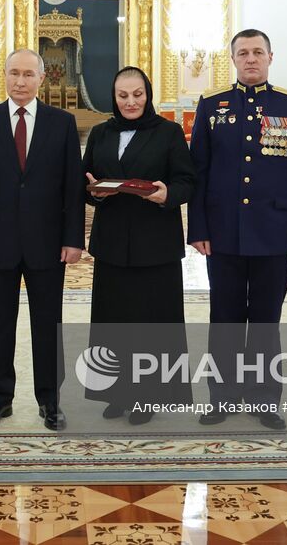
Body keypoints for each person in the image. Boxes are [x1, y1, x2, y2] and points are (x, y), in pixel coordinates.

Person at [188, 29, 287, 429]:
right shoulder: (212, 105)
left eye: (257, 52)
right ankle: (222, 396)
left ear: (270, 57)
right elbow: (200, 173)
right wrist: (198, 228)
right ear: (233, 59)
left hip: (274, 232)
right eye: (242, 53)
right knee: (223, 318)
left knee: (265, 320)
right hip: (223, 232)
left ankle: (264, 398)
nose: (250, 59)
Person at [0, 49, 84, 432]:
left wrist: (73, 239)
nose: (20, 81)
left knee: (48, 325)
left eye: (28, 74)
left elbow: (72, 189)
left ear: (41, 79)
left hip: (48, 244)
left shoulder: (61, 123)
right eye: (13, 73)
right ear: (4, 76)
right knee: (0, 324)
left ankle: (50, 400)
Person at [83, 66, 195, 424]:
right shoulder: (100, 134)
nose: (131, 102)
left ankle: (149, 396)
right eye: (123, 95)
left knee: (153, 324)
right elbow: (86, 182)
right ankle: (117, 394)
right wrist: (94, 194)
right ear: (113, 98)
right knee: (112, 323)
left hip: (155, 244)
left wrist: (167, 195)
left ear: (147, 94)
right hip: (112, 243)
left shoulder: (169, 132)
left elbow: (186, 181)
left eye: (137, 94)